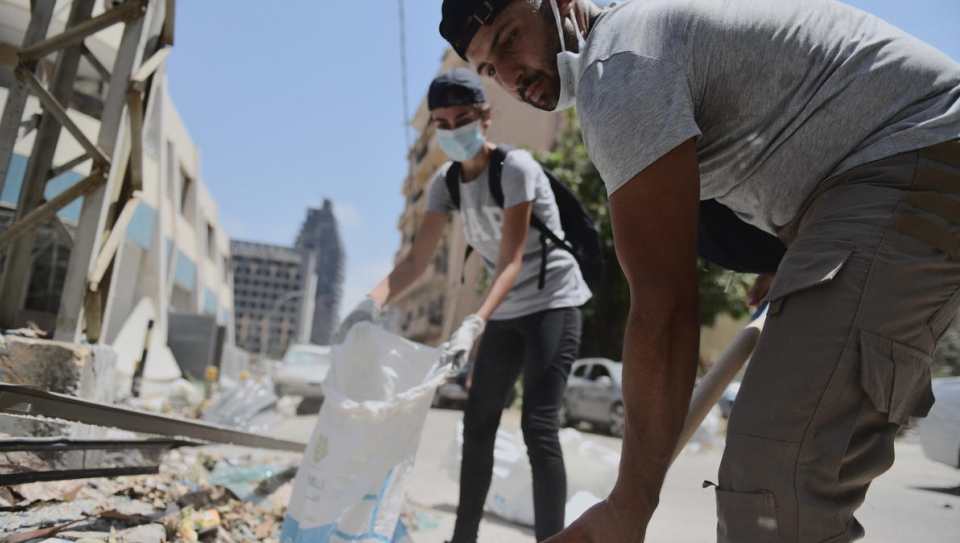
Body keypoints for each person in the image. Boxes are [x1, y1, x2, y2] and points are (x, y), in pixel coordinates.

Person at [437, 0, 960, 542]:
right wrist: (798, 251)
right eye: (489, 69)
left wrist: (629, 506)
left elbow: (664, 308)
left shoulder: (617, 68)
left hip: (914, 152)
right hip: (862, 182)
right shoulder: (640, 46)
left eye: (508, 39)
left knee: (775, 478)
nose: (509, 75)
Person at [334, 67, 592, 543]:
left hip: (554, 300)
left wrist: (472, 323)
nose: (452, 130)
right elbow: (416, 261)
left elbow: (511, 261)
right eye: (442, 122)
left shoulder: (516, 169)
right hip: (505, 309)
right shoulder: (444, 184)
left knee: (538, 426)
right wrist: (368, 305)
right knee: (478, 423)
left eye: (463, 117)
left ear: (486, 117)